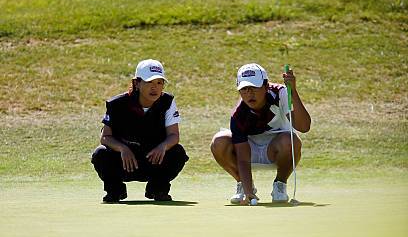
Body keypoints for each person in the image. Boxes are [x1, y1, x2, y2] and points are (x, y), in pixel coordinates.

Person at [210, 63, 311, 204]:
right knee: (219, 141)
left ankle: (280, 185)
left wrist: (292, 92)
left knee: (291, 140)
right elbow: (243, 159)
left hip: (277, 149)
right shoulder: (238, 115)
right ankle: (244, 185)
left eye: (254, 87)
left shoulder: (280, 94)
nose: (249, 93)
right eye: (244, 89)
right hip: (250, 152)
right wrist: (248, 192)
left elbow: (304, 126)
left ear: (265, 86)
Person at [92, 59, 188, 203]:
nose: (154, 88)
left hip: (154, 161)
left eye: (159, 83)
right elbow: (105, 137)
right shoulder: (116, 104)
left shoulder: (167, 102)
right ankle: (115, 191)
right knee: (100, 154)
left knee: (177, 153)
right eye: (149, 82)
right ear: (137, 83)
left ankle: (158, 189)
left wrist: (162, 147)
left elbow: (174, 136)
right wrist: (122, 148)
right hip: (124, 162)